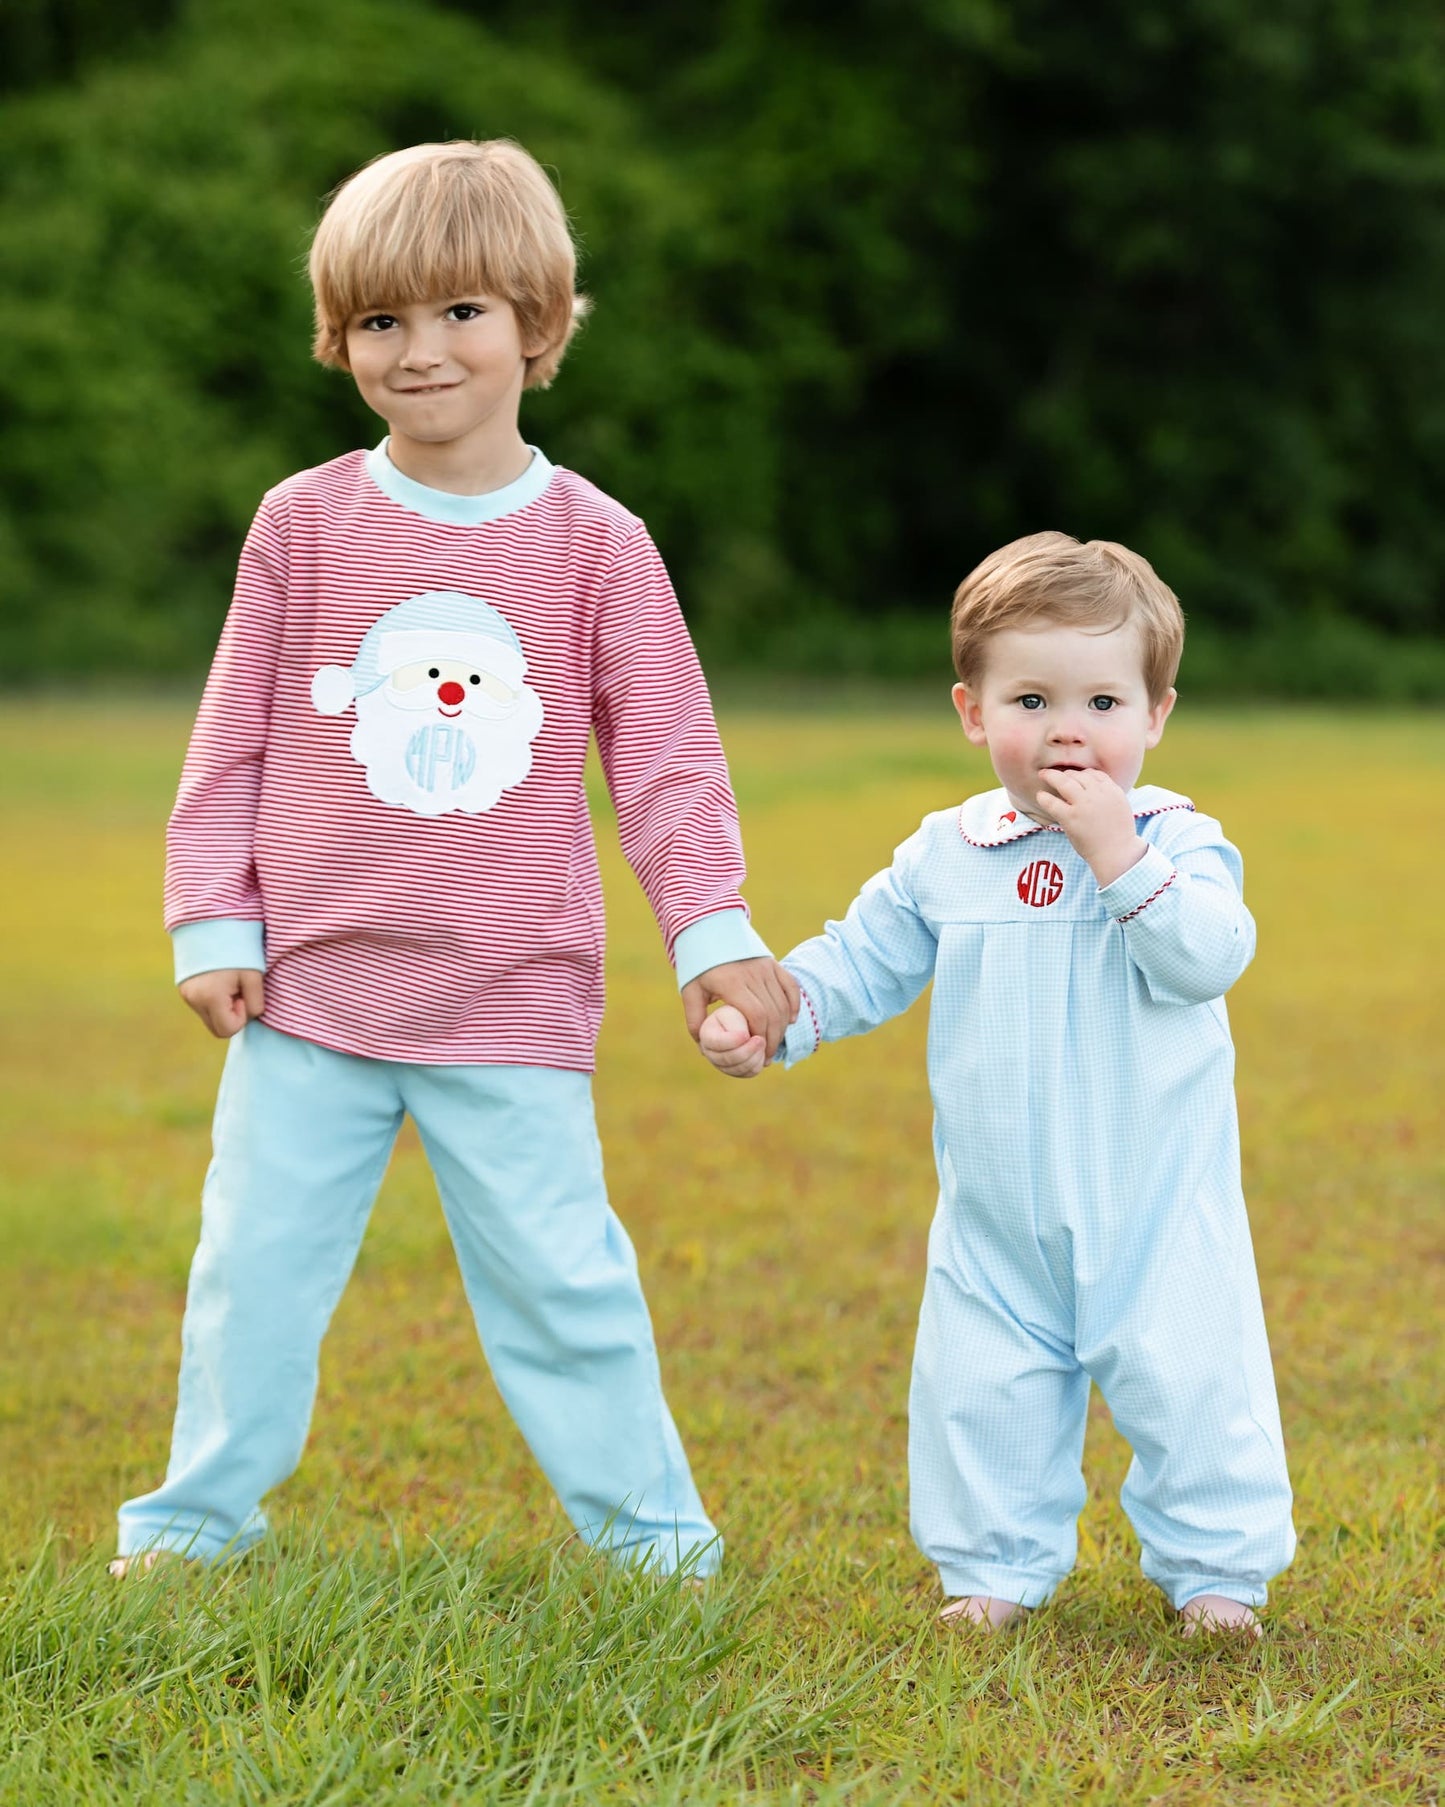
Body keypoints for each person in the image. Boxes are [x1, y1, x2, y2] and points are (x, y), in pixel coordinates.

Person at [112, 139, 797, 1577]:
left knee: (565, 1286)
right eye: (381, 320)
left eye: (462, 312)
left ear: (540, 326)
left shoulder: (598, 544)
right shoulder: (302, 524)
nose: (420, 351)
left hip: (512, 997)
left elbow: (667, 761)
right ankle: (187, 1531)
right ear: (339, 339)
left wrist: (712, 930)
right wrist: (208, 919)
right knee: (252, 1279)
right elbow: (229, 736)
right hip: (307, 997)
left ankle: (656, 1550)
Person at [700, 533, 1295, 1636]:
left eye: (1103, 702)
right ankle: (993, 1566)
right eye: (1030, 697)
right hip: (996, 1205)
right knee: (981, 1386)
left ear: (1155, 716)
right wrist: (771, 1021)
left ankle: (1216, 1571)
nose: (1069, 729)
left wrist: (1119, 856)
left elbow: (1206, 956)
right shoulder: (948, 852)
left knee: (1192, 1380)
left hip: (1152, 1200)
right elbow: (857, 960)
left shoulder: (1176, 842)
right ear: (972, 713)